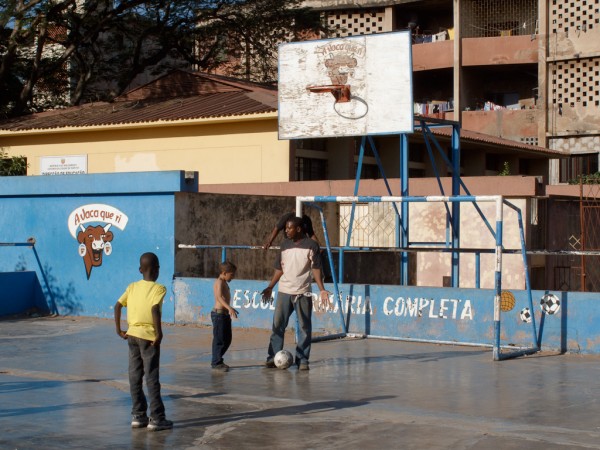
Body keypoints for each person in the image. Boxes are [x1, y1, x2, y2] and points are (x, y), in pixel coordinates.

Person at [261, 216, 330, 371]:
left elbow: (316, 268)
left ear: (298, 229)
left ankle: (302, 360)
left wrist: (322, 289)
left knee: (304, 327)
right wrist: (270, 286)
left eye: (289, 228)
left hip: (303, 292)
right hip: (284, 291)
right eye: (285, 228)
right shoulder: (284, 245)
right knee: (278, 325)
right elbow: (280, 268)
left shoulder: (312, 245)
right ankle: (273, 357)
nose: (286, 231)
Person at [114, 252, 173, 431]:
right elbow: (155, 309)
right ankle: (157, 418)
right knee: (152, 377)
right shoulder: (159, 288)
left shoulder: (131, 287)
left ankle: (138, 416)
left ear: (140, 270)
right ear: (157, 271)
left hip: (131, 336)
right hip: (149, 337)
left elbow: (117, 305)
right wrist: (159, 333)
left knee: (135, 376)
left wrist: (118, 329)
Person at [211, 260, 238, 372]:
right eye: (231, 274)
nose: (233, 277)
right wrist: (229, 308)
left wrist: (230, 309)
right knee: (219, 339)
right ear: (224, 272)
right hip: (218, 315)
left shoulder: (224, 282)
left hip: (224, 314)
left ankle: (218, 359)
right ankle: (216, 362)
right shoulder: (219, 282)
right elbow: (219, 298)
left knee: (227, 339)